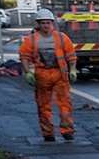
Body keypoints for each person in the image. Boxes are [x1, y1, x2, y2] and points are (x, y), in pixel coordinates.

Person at [19, 11, 77, 142]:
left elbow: (71, 55)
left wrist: (73, 70)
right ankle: (48, 133)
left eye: (48, 23)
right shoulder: (31, 40)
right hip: (42, 75)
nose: (46, 25)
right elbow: (24, 57)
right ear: (38, 24)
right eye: (43, 23)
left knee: (65, 104)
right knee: (43, 105)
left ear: (52, 23)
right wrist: (27, 72)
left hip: (60, 74)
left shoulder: (62, 38)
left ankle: (67, 131)